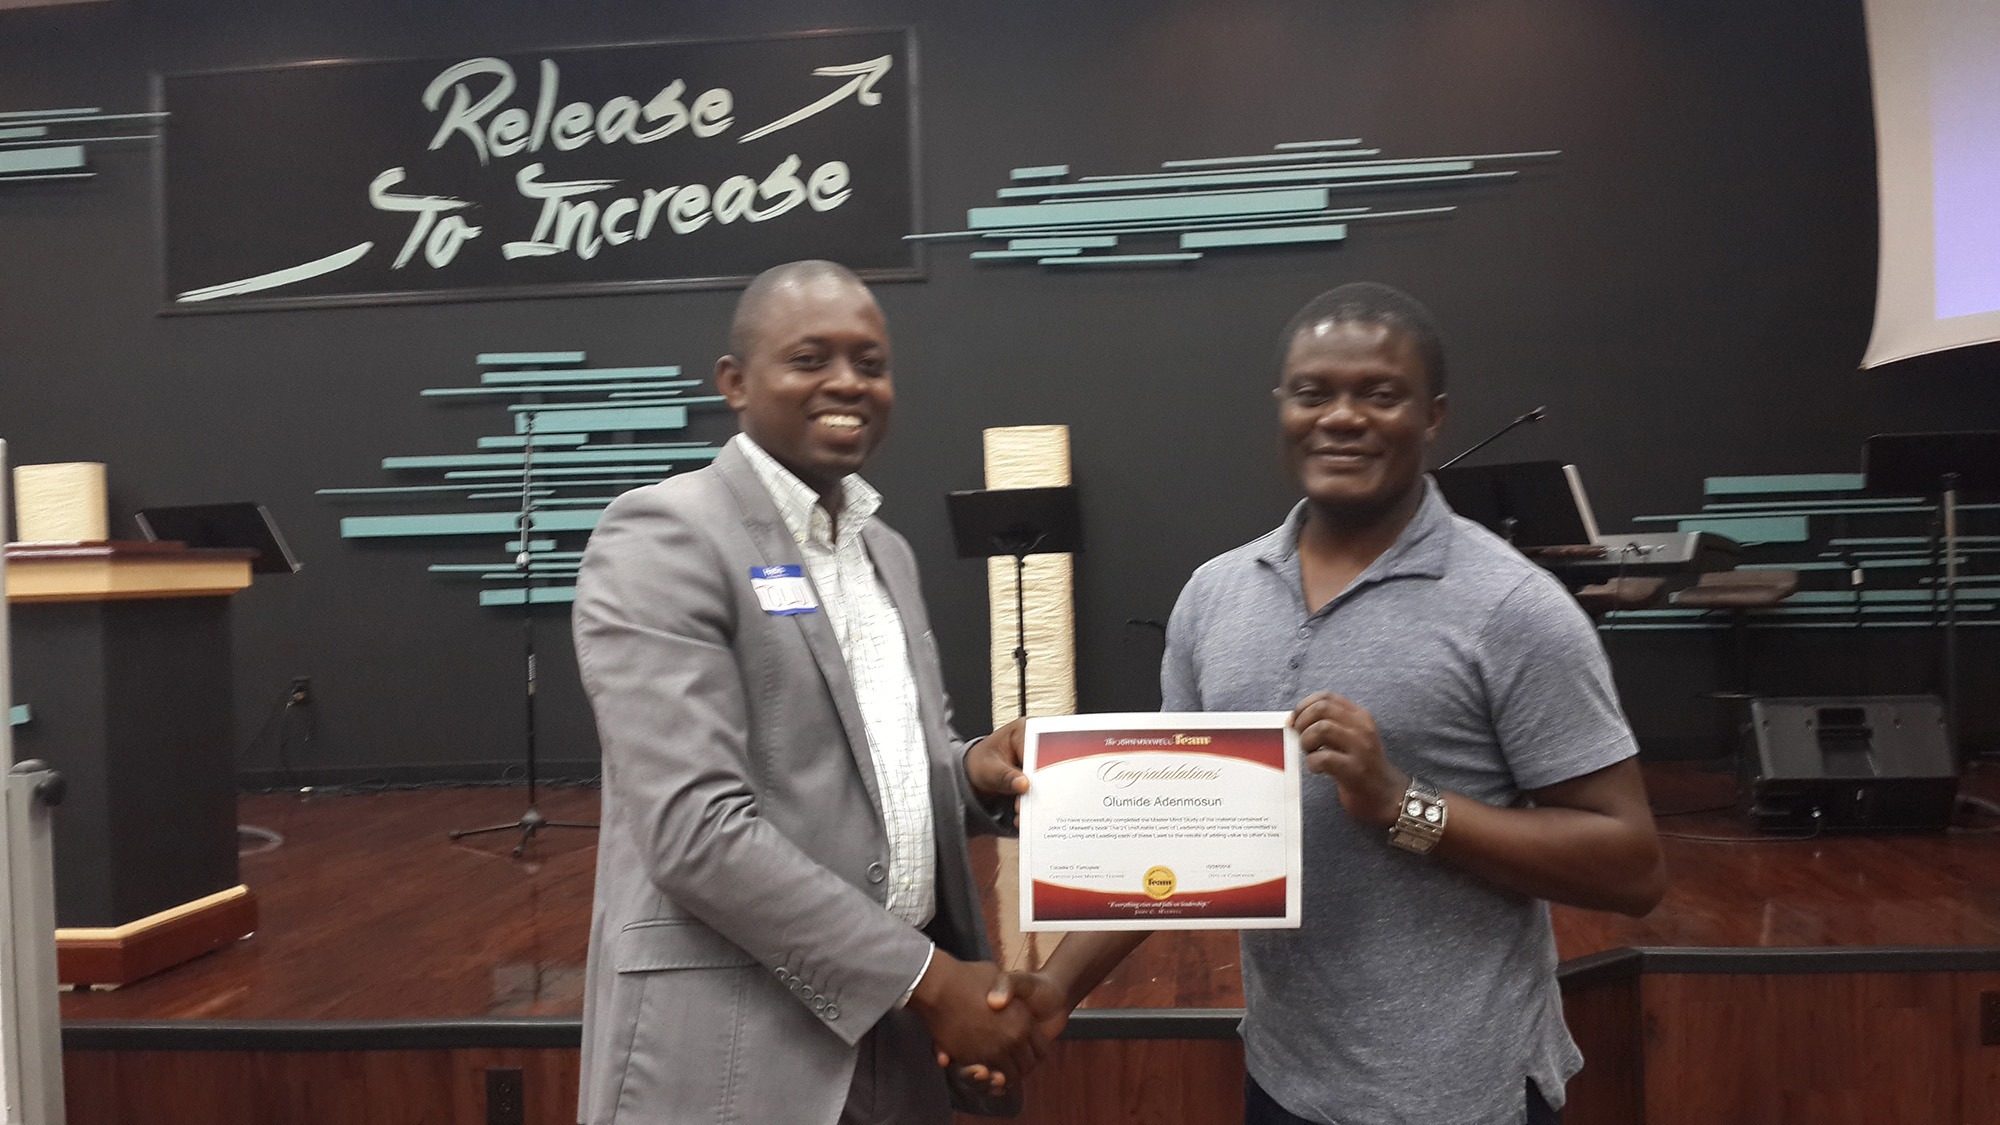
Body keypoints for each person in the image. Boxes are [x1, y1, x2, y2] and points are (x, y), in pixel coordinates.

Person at [970, 282, 1667, 1125]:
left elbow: (1632, 866)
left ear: (1433, 415)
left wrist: (1400, 805)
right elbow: (1170, 840)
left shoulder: (1513, 606)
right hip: (1284, 1077)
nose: (1342, 416)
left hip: (1461, 1094)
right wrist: (1055, 987)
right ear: (1283, 407)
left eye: (1380, 393)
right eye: (1314, 392)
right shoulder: (1214, 596)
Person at [572, 260, 1047, 1125]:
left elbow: (879, 767)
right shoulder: (664, 535)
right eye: (810, 358)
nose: (847, 383)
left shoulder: (884, 551)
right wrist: (929, 979)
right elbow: (694, 833)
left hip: (895, 1047)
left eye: (870, 362)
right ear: (735, 383)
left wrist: (972, 768)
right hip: (735, 1050)